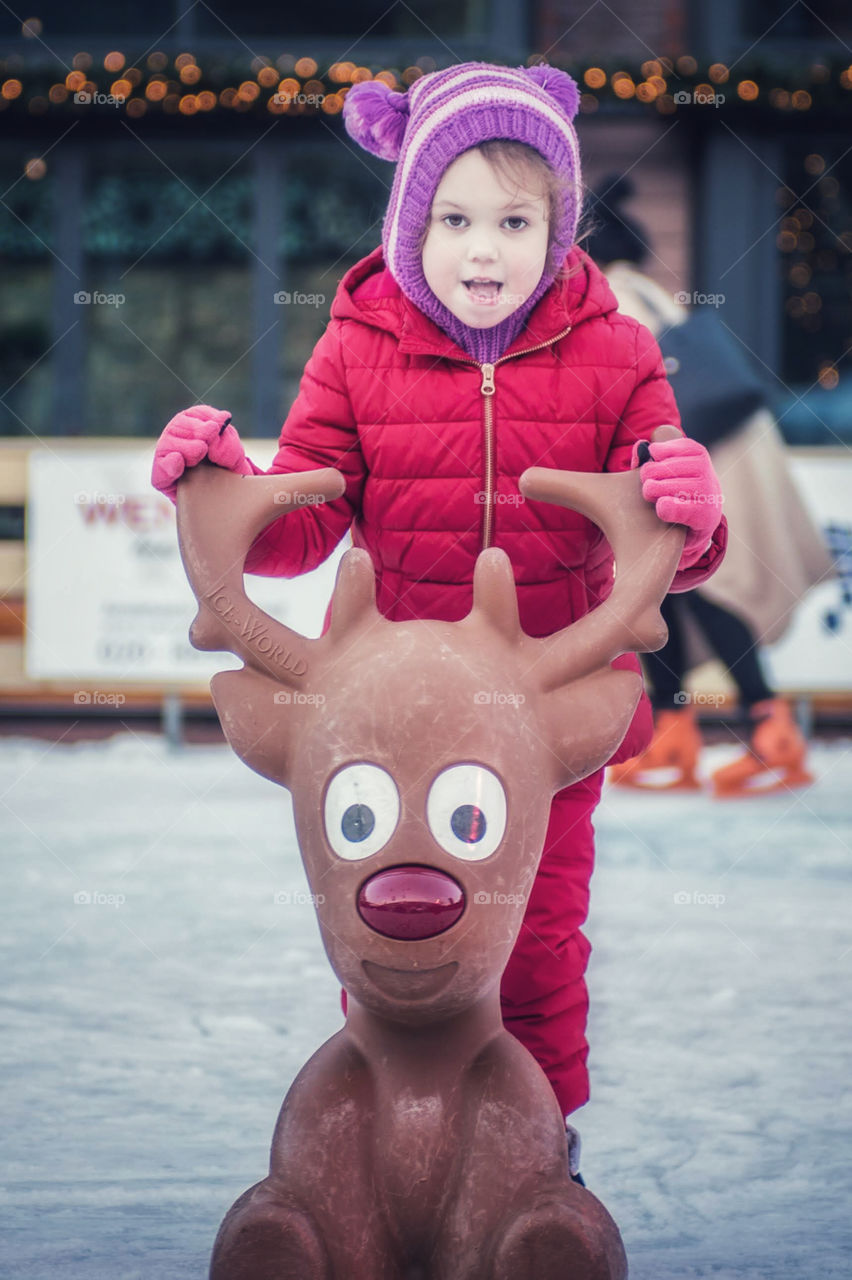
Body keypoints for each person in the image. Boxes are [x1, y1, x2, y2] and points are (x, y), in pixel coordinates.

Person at [152, 64, 727, 1173]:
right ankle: (394, 1143)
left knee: (536, 934)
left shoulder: (617, 352)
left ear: (559, 227)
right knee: (392, 926)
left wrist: (689, 515)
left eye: (516, 220)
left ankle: (537, 1153)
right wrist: (229, 485)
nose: (483, 248)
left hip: (543, 714)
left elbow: (663, 542)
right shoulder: (356, 349)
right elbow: (301, 523)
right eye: (455, 217)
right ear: (412, 223)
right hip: (386, 714)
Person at [585, 175, 832, 796]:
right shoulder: (649, 292)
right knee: (665, 595)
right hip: (709, 457)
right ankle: (676, 730)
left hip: (695, 464)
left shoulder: (614, 299)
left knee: (711, 591)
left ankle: (770, 730)